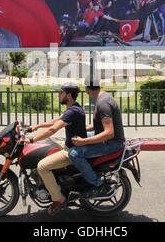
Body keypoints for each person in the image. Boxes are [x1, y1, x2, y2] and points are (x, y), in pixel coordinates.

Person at [26, 83, 87, 215]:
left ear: (69, 95)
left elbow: (53, 129)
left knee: (42, 166)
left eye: (61, 93)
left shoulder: (73, 111)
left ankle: (58, 198)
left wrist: (31, 140)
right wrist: (37, 126)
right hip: (71, 146)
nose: (58, 95)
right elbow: (57, 120)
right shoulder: (74, 108)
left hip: (72, 151)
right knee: (50, 145)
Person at [69, 78, 126, 199]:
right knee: (73, 140)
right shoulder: (101, 98)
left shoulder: (102, 103)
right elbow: (97, 126)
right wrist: (82, 131)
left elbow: (109, 133)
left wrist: (83, 141)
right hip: (107, 139)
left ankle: (97, 184)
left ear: (87, 89)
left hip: (112, 143)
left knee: (74, 154)